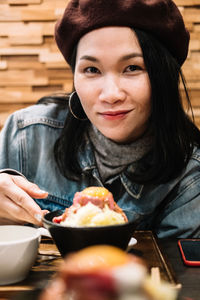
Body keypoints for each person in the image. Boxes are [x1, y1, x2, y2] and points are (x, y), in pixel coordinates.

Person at [0, 0, 200, 238]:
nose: (111, 95)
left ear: (163, 75)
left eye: (132, 67)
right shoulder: (25, 135)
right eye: (92, 70)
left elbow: (174, 273)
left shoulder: (190, 174)